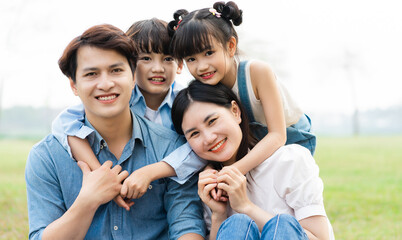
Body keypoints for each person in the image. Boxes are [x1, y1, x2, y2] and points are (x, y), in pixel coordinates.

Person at [25, 24, 205, 239]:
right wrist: (87, 201)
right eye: (91, 74)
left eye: (116, 70)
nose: (106, 83)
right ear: (74, 85)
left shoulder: (171, 146)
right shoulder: (47, 157)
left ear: (132, 78)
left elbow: (186, 226)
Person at [51, 18, 206, 203]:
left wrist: (152, 171)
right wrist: (102, 174)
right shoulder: (117, 98)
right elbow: (64, 124)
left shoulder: (187, 102)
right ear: (131, 65)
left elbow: (204, 146)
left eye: (168, 59)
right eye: (146, 59)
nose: (158, 68)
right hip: (130, 192)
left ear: (179, 65)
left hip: (179, 189)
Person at [167, 1, 317, 188]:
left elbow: (278, 136)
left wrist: (232, 171)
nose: (202, 66)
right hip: (250, 145)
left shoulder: (256, 73)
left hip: (288, 140)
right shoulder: (205, 86)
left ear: (230, 46)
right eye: (191, 59)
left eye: (208, 52)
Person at [171, 80, 335, 240]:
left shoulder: (289, 160)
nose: (209, 138)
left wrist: (245, 207)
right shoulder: (209, 185)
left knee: (282, 224)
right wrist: (218, 215)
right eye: (194, 134)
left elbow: (320, 237)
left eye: (212, 121)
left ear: (235, 111)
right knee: (236, 224)